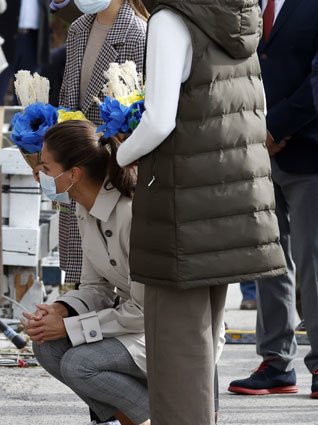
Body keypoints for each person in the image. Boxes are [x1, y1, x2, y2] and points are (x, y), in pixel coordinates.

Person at [114, 1, 287, 424]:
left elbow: (159, 121)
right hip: (231, 199)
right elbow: (258, 105)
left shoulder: (172, 19)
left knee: (176, 356)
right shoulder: (239, 18)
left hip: (180, 201)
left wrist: (118, 154)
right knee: (202, 344)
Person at [25, 120, 148, 425]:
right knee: (46, 345)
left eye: (47, 168)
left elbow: (146, 312)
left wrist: (71, 328)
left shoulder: (132, 214)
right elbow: (97, 287)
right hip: (133, 323)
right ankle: (134, 417)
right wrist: (61, 310)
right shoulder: (85, 206)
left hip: (164, 331)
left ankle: (159, 416)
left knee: (80, 364)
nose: (41, 175)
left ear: (74, 174)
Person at [227, 0, 318, 399]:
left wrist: (276, 126)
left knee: (313, 261)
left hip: (308, 151)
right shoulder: (244, 4)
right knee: (267, 258)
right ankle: (276, 362)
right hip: (255, 151)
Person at [56, 0, 148, 292]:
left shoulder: (138, 33)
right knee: (81, 279)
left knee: (113, 276)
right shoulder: (79, 28)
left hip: (114, 171)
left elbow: (140, 112)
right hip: (75, 169)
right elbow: (66, 100)